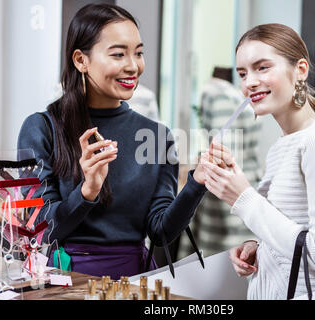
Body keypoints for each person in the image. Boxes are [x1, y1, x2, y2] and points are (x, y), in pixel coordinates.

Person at [17, 4, 225, 280]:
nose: (133, 66)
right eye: (118, 54)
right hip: (63, 281)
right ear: (81, 60)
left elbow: (161, 232)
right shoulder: (42, 128)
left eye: (138, 53)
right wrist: (87, 190)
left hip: (134, 282)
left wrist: (197, 184)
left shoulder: (158, 136)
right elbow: (42, 229)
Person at [200, 24, 315, 300]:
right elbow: (295, 232)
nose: (249, 82)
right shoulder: (282, 145)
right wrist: (259, 247)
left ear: (300, 70)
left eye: (262, 67)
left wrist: (243, 197)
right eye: (242, 73)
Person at [178, 67, 262, 259]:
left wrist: (202, 163)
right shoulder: (242, 96)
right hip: (248, 184)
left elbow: (222, 149)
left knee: (219, 260)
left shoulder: (214, 93)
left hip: (225, 193)